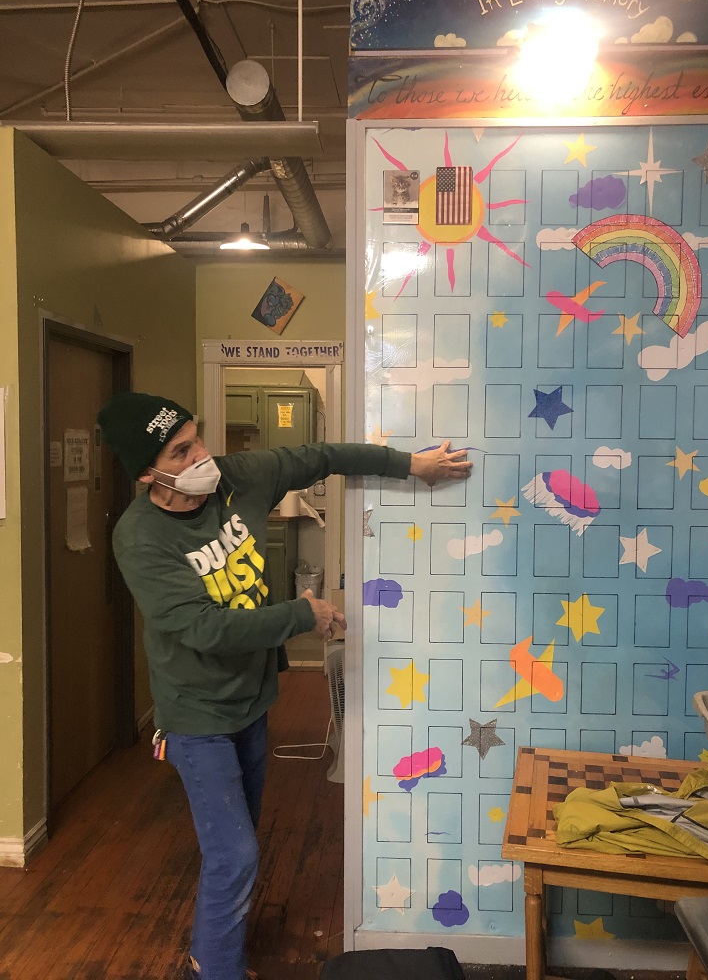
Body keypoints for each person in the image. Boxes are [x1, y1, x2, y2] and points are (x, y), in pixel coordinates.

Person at [96, 391, 472, 980]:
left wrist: (411, 465)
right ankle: (216, 969)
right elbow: (202, 628)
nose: (202, 455)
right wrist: (304, 615)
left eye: (197, 437)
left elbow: (323, 455)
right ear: (150, 472)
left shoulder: (237, 479)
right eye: (181, 449)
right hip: (195, 713)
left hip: (252, 700)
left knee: (238, 843)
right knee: (236, 852)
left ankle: (208, 950)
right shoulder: (139, 536)